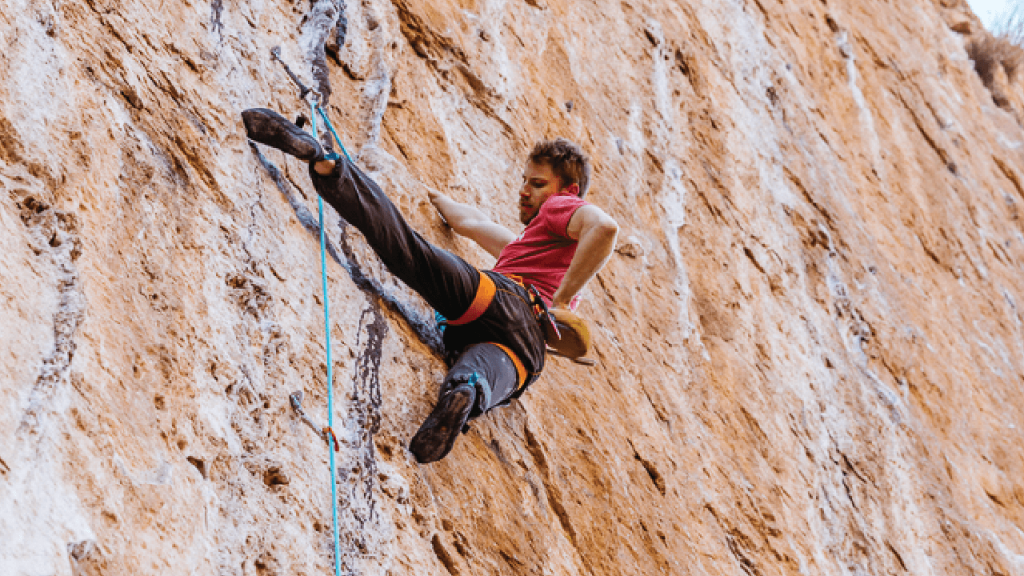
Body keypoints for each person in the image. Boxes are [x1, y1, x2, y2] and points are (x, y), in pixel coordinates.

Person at [242, 108, 618, 463]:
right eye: (524, 181)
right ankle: (464, 394)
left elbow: (603, 229)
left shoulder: (561, 206)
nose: (524, 190)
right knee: (484, 376)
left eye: (537, 184)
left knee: (408, 250)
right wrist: (437, 198)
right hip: (524, 344)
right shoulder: (528, 247)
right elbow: (470, 222)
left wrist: (564, 301)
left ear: (567, 189)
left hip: (498, 298)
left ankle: (329, 164)